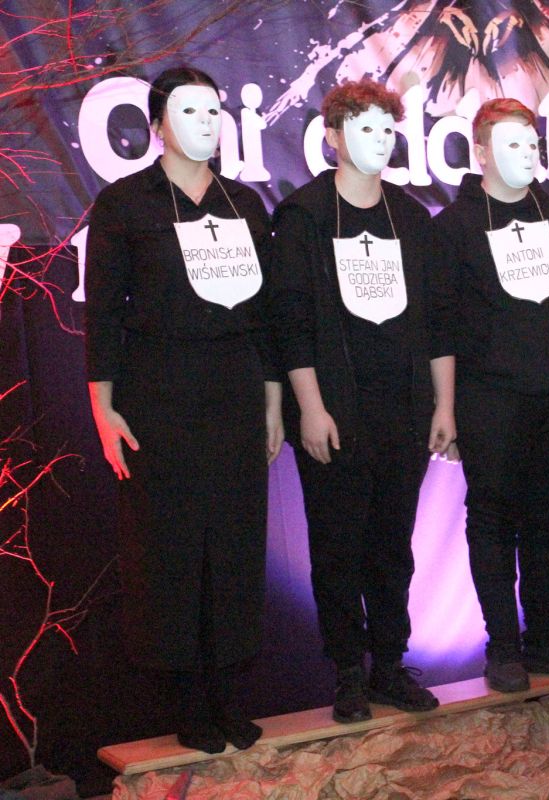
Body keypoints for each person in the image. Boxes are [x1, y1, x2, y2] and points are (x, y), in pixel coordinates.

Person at [85, 65, 281, 754]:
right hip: (158, 393)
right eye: (190, 112)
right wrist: (103, 407)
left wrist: (273, 400)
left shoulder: (244, 202)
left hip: (234, 389)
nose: (207, 123)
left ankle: (228, 695)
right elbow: (103, 314)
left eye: (215, 111)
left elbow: (265, 314)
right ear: (158, 125)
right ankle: (188, 703)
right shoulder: (124, 205)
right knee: (170, 548)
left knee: (234, 543)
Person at [268, 79, 452, 723]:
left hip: (404, 410)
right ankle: (348, 672)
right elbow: (290, 323)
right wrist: (311, 407)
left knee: (393, 548)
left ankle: (390, 666)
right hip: (335, 413)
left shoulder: (411, 218)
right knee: (337, 548)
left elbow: (435, 321)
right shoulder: (304, 216)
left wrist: (444, 405)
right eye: (364, 127)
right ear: (333, 137)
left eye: (387, 128)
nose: (380, 140)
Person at [430, 98, 549, 693]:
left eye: (532, 143)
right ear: (480, 153)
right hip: (489, 397)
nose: (527, 154)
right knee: (493, 518)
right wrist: (446, 407)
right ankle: (502, 646)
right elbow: (441, 325)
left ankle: (546, 636)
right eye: (512, 143)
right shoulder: (454, 227)